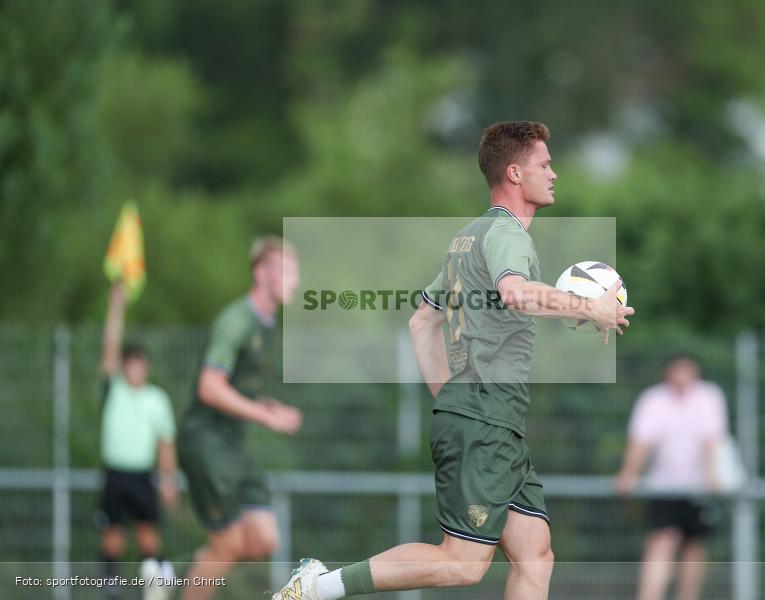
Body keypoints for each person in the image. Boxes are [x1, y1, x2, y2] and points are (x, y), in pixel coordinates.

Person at [272, 121, 634, 600]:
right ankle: (319, 587)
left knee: (534, 555)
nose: (554, 173)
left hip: (485, 418)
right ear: (514, 172)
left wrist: (451, 399)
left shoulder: (468, 236)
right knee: (461, 564)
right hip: (485, 419)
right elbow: (516, 294)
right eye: (544, 164)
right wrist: (591, 307)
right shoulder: (508, 235)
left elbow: (423, 321)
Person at [178, 236, 304, 600]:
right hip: (206, 441)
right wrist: (266, 419)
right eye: (285, 270)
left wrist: (267, 407)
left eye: (295, 272)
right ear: (260, 273)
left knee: (264, 538)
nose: (293, 280)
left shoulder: (266, 325)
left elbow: (237, 390)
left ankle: (172, 573)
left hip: (232, 443)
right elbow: (209, 387)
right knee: (229, 545)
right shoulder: (236, 321)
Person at [615, 354, 728, 600]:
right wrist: (630, 473)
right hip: (664, 486)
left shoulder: (708, 396)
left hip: (699, 488)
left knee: (694, 548)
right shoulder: (654, 399)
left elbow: (711, 438)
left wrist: (711, 474)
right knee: (662, 542)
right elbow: (641, 440)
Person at [98, 281, 177, 599]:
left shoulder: (156, 399)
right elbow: (109, 348)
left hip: (142, 476)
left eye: (138, 364)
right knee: (112, 533)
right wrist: (117, 306)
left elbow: (165, 443)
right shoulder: (114, 390)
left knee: (148, 536)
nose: (132, 369)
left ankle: (155, 586)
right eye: (127, 364)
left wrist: (168, 479)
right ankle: (110, 587)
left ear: (146, 368)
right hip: (115, 473)